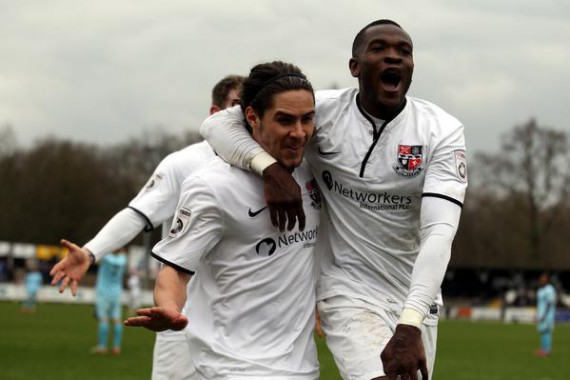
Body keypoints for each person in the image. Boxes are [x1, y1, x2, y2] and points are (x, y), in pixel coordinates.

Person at [200, 19, 468, 380]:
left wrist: (411, 321)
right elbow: (216, 126)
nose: (393, 57)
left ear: (412, 67)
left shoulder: (442, 131)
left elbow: (439, 230)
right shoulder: (323, 113)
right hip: (347, 286)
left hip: (415, 296)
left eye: (403, 52)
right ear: (355, 67)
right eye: (379, 49)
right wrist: (270, 170)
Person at [125, 61, 321, 379]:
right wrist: (170, 307)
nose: (299, 133)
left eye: (307, 119)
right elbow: (174, 270)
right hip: (233, 368)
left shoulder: (313, 168)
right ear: (252, 118)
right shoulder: (212, 186)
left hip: (301, 368)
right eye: (285, 121)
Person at [49, 74, 244, 378]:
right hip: (181, 313)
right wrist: (90, 253)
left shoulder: (267, 167)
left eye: (249, 106)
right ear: (214, 114)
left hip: (245, 318)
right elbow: (138, 214)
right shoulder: (184, 163)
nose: (243, 114)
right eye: (236, 105)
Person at [91, 248, 127, 354]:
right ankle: (116, 347)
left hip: (103, 292)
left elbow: (95, 259)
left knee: (103, 319)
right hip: (116, 292)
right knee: (116, 319)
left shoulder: (105, 257)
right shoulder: (123, 259)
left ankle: (102, 346)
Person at [535, 272, 557, 357]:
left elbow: (549, 303)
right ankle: (543, 349)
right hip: (541, 314)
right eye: (541, 278)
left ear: (547, 280)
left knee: (546, 331)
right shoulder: (540, 289)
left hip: (547, 315)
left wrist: (544, 315)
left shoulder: (549, 289)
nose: (542, 280)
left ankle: (547, 350)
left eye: (544, 278)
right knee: (542, 331)